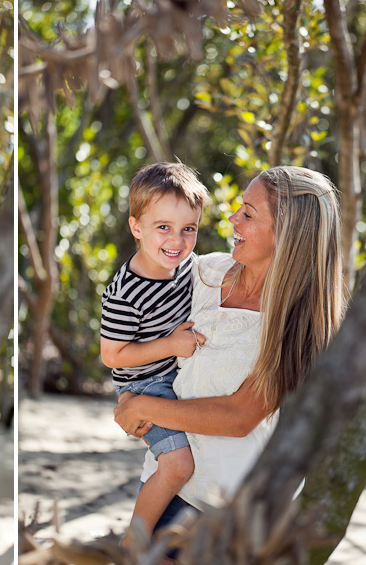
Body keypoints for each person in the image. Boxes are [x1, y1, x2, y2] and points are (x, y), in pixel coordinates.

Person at [113, 166, 346, 531]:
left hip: (224, 511)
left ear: (287, 234)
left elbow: (238, 418)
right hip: (164, 478)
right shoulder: (202, 273)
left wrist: (141, 407)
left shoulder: (299, 324)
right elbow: (136, 317)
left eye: (249, 214)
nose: (233, 218)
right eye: (240, 207)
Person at [100, 162, 210, 537]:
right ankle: (135, 543)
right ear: (136, 227)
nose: (176, 241)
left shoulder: (188, 265)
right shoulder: (125, 293)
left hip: (177, 375)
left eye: (188, 229)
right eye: (163, 227)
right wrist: (171, 344)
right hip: (146, 383)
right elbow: (112, 356)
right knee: (178, 465)